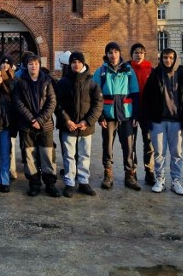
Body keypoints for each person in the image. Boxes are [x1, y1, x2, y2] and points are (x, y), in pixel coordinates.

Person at [143, 48, 183, 195]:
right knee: (159, 152)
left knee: (176, 153)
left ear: (175, 58)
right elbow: (147, 99)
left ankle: (176, 181)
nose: (168, 60)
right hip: (158, 120)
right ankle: (160, 179)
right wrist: (147, 119)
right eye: (165, 57)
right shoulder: (155, 74)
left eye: (171, 58)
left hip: (178, 121)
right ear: (161, 59)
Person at [93, 42, 141, 190]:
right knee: (107, 147)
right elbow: (96, 96)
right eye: (110, 52)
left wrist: (135, 115)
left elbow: (135, 93)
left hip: (126, 115)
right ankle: (108, 175)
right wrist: (100, 117)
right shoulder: (101, 71)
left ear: (119, 53)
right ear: (106, 55)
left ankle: (129, 175)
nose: (113, 55)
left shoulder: (128, 71)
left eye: (115, 52)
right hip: (109, 116)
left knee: (128, 147)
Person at [56, 52, 103, 198]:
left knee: (84, 155)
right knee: (69, 155)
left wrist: (87, 121)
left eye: (78, 62)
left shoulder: (92, 82)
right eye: (73, 62)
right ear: (69, 64)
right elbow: (57, 104)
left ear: (83, 63)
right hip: (68, 126)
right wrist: (66, 120)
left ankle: (83, 181)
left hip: (85, 127)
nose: (76, 64)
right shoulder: (63, 82)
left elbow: (98, 105)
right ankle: (69, 182)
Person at [12, 54, 59, 197]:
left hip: (45, 125)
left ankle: (50, 183)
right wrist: (32, 119)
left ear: (39, 65)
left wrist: (40, 120)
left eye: (36, 64)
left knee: (47, 155)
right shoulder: (20, 81)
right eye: (31, 64)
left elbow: (52, 102)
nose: (34, 66)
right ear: (27, 65)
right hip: (27, 125)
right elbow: (18, 102)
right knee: (30, 155)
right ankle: (34, 183)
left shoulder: (47, 81)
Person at [129, 42, 156, 185]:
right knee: (130, 144)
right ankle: (132, 170)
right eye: (135, 52)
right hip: (131, 111)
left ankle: (149, 171)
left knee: (149, 143)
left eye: (141, 52)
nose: (138, 55)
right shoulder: (127, 69)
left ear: (144, 54)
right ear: (131, 54)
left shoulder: (151, 70)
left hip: (147, 112)